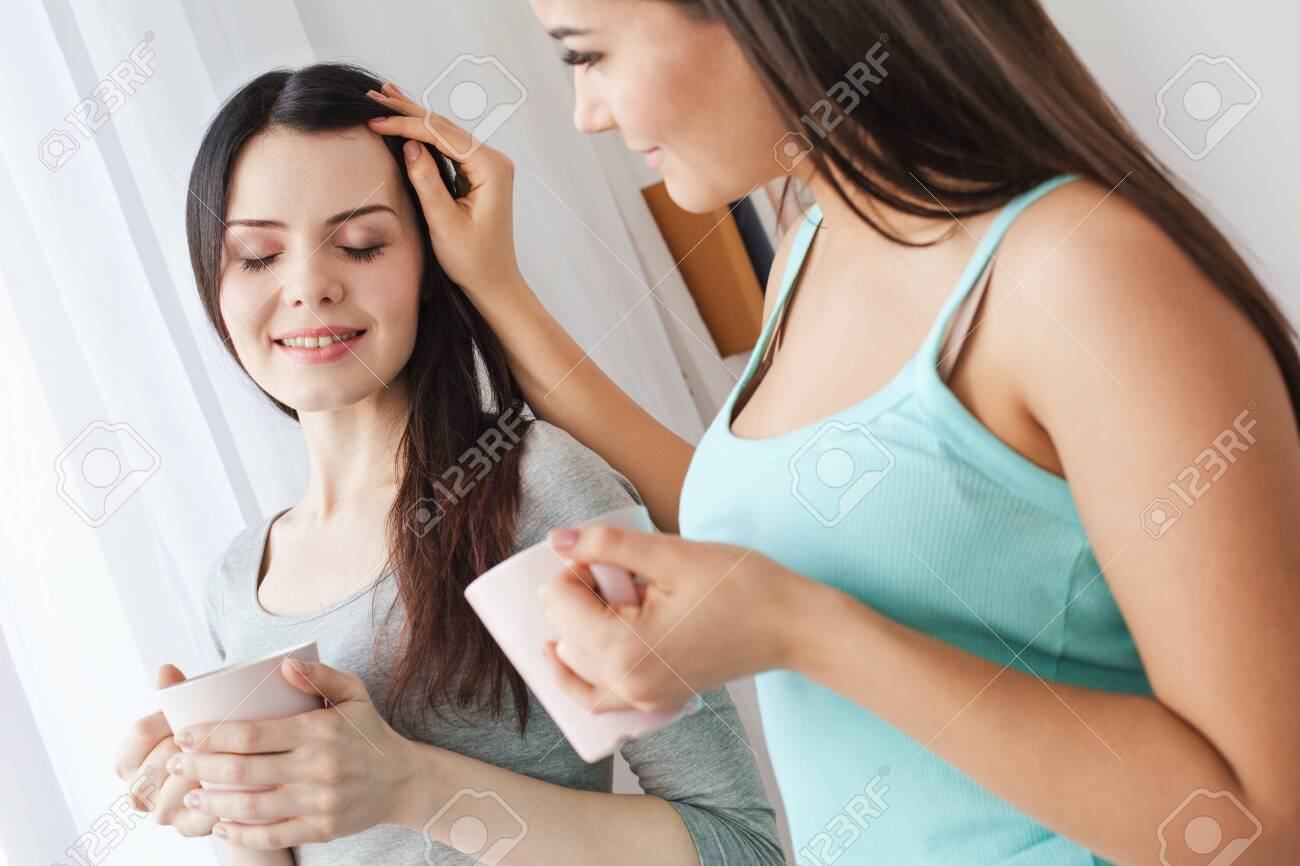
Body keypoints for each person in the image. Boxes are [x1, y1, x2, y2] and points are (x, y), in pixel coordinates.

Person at [364, 1, 1300, 863]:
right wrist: (498, 287)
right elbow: (770, 528)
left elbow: (1258, 822)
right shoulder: (814, 248)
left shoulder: (1075, 274)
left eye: (592, 54)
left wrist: (800, 631)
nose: (589, 114)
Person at [111, 62, 783, 866]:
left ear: (430, 263)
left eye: (360, 243)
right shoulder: (237, 582)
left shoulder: (528, 493)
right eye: (256, 256)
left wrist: (409, 784)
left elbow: (737, 844)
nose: (308, 288)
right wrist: (232, 807)